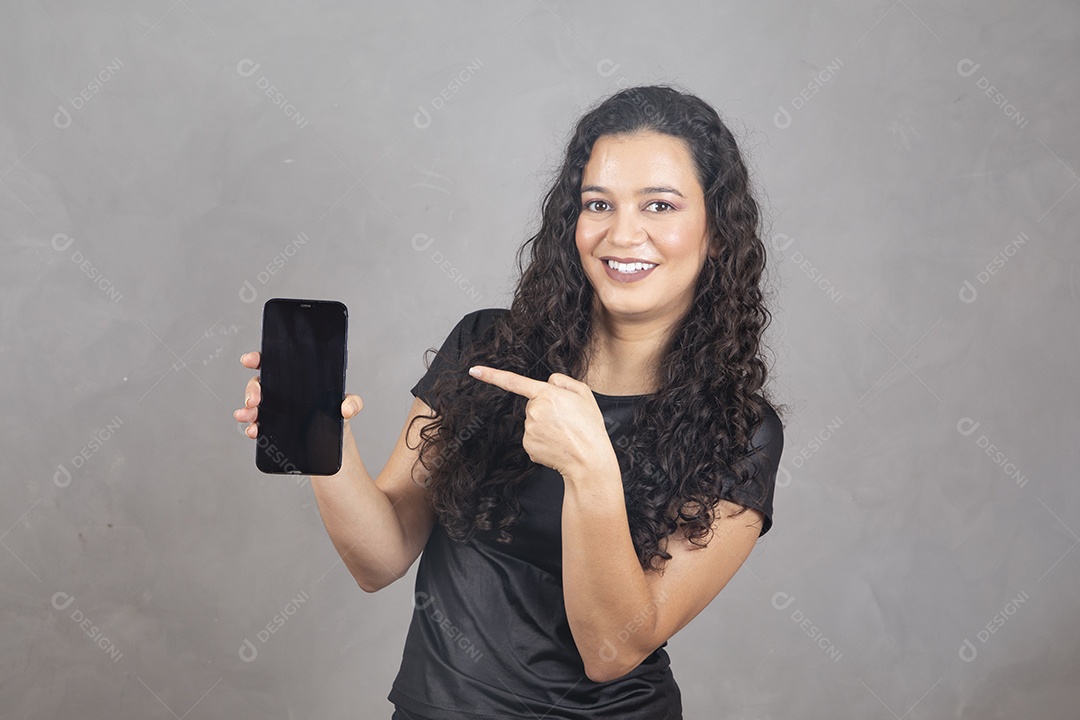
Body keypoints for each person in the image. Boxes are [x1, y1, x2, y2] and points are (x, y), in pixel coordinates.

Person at [234, 85, 784, 720]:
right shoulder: (488, 348)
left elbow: (613, 650)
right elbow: (378, 558)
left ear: (717, 234)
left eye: (660, 205)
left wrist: (590, 470)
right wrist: (319, 436)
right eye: (598, 204)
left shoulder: (742, 431)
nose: (622, 233)